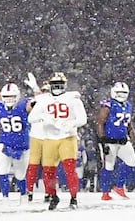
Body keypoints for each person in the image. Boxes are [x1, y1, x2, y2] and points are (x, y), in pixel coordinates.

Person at [23, 71, 88, 209]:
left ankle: (73, 198)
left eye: (59, 84)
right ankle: (53, 196)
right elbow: (31, 118)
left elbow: (83, 119)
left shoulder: (73, 99)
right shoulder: (44, 100)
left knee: (69, 169)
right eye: (54, 84)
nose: (57, 87)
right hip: (49, 138)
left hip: (67, 137)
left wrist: (70, 124)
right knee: (48, 171)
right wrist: (44, 118)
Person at [0, 81, 31, 200]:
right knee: (2, 172)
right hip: (5, 144)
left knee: (20, 175)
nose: (9, 99)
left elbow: (37, 103)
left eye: (11, 96)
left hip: (21, 146)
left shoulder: (23, 105)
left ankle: (23, 195)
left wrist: (37, 89)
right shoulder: (0, 106)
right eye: (6, 96)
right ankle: (5, 197)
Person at [95, 81, 135, 201]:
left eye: (123, 93)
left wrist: (134, 137)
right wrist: (102, 140)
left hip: (122, 139)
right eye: (119, 92)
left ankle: (119, 186)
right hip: (109, 140)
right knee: (108, 166)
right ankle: (105, 192)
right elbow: (100, 122)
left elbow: (128, 123)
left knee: (132, 162)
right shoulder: (108, 104)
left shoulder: (128, 105)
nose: (121, 95)